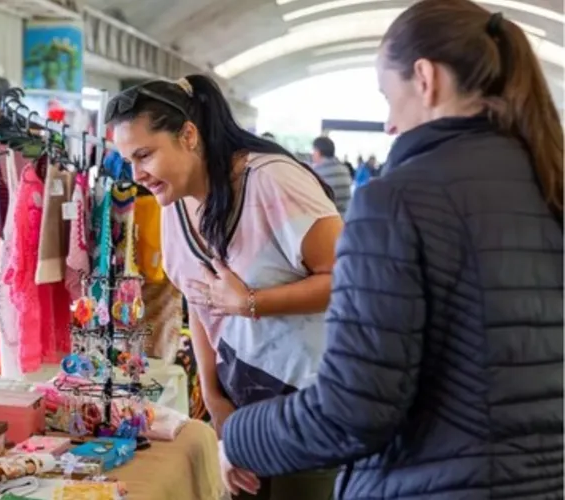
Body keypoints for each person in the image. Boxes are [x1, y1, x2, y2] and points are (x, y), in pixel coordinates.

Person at [220, 1, 563, 499]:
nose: (387, 125)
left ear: (424, 78)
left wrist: (239, 436)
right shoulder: (550, 186)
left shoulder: (396, 201)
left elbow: (352, 411)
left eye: (387, 95)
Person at [106, 75, 344, 499]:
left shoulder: (272, 182)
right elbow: (200, 303)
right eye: (128, 160)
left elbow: (349, 281)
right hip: (241, 407)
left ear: (189, 135)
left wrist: (252, 303)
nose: (136, 174)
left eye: (144, 154)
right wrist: (215, 400)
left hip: (311, 403)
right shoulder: (173, 202)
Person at [310, 136, 352, 214]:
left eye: (313, 151)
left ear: (318, 152)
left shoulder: (317, 173)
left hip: (329, 221)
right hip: (345, 219)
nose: (312, 154)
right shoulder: (344, 170)